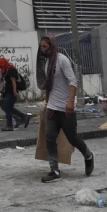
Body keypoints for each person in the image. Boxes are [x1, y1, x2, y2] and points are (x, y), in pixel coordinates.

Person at [39, 35, 94, 183]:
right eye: (42, 47)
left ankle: (88, 155)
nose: (44, 49)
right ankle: (55, 171)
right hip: (52, 107)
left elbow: (73, 81)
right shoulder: (47, 64)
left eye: (46, 46)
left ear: (52, 45)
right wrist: (46, 101)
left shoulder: (62, 60)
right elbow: (49, 85)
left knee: (72, 138)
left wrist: (71, 102)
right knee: (50, 138)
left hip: (66, 107)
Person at [0, 57, 31, 131]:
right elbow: (5, 82)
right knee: (9, 108)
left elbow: (13, 81)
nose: (0, 67)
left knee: (7, 108)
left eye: (1, 65)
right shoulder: (5, 70)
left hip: (11, 92)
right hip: (7, 92)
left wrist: (15, 92)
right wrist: (1, 91)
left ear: (4, 63)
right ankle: (24, 116)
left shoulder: (10, 69)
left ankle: (9, 125)